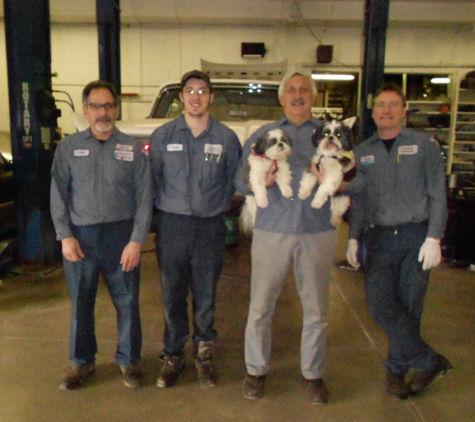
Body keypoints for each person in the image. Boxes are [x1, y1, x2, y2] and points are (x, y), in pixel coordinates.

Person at [345, 83, 452, 400]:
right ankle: (429, 361)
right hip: (378, 238)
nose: (386, 110)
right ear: (373, 110)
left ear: (404, 111)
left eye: (393, 105)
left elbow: (437, 195)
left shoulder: (425, 146)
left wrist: (434, 236)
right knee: (379, 306)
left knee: (409, 306)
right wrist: (353, 238)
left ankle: (395, 371)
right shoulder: (363, 152)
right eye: (380, 105)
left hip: (415, 236)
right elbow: (361, 202)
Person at [235, 70, 334, 405]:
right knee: (261, 306)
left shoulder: (328, 134)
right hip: (271, 230)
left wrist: (340, 181)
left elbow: (354, 176)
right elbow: (239, 179)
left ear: (314, 96)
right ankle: (255, 370)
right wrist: (254, 181)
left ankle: (312, 375)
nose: (297, 95)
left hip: (316, 230)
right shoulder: (263, 134)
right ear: (281, 98)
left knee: (317, 310)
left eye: (304, 89)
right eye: (291, 90)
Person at [50, 80, 152, 390]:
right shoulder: (68, 148)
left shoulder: (133, 149)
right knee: (81, 301)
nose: (102, 112)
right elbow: (58, 193)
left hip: (122, 237)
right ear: (85, 110)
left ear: (116, 109)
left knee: (128, 300)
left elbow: (144, 196)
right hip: (81, 238)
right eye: (96, 106)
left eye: (108, 105)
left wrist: (136, 240)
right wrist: (65, 235)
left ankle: (129, 360)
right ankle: (82, 362)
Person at [149, 70, 242, 388]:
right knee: (172, 293)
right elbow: (153, 180)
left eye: (203, 91)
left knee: (206, 294)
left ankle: (203, 353)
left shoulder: (227, 138)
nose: (196, 96)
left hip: (209, 227)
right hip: (172, 226)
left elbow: (235, 182)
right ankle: (173, 354)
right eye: (190, 90)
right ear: (180, 97)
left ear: (211, 97)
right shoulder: (163, 136)